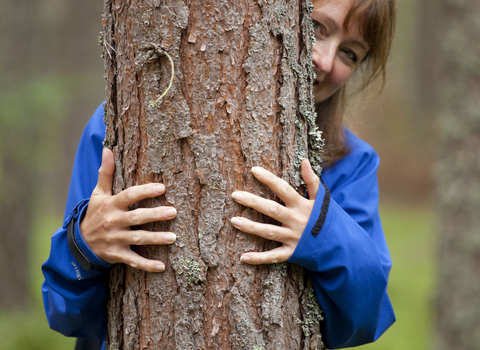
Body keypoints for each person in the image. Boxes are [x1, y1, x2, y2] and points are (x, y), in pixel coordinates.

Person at [42, 0, 397, 349]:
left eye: (350, 53)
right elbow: (65, 315)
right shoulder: (118, 126)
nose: (325, 59)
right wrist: (84, 246)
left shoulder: (353, 162)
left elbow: (365, 318)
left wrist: (321, 231)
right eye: (318, 27)